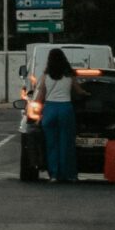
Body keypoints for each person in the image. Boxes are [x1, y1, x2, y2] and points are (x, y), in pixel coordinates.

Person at [40, 48, 79, 183]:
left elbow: (40, 96)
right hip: (65, 109)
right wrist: (87, 93)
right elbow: (78, 91)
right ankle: (68, 174)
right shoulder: (69, 75)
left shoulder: (46, 76)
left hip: (50, 109)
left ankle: (54, 174)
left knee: (51, 144)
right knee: (66, 143)